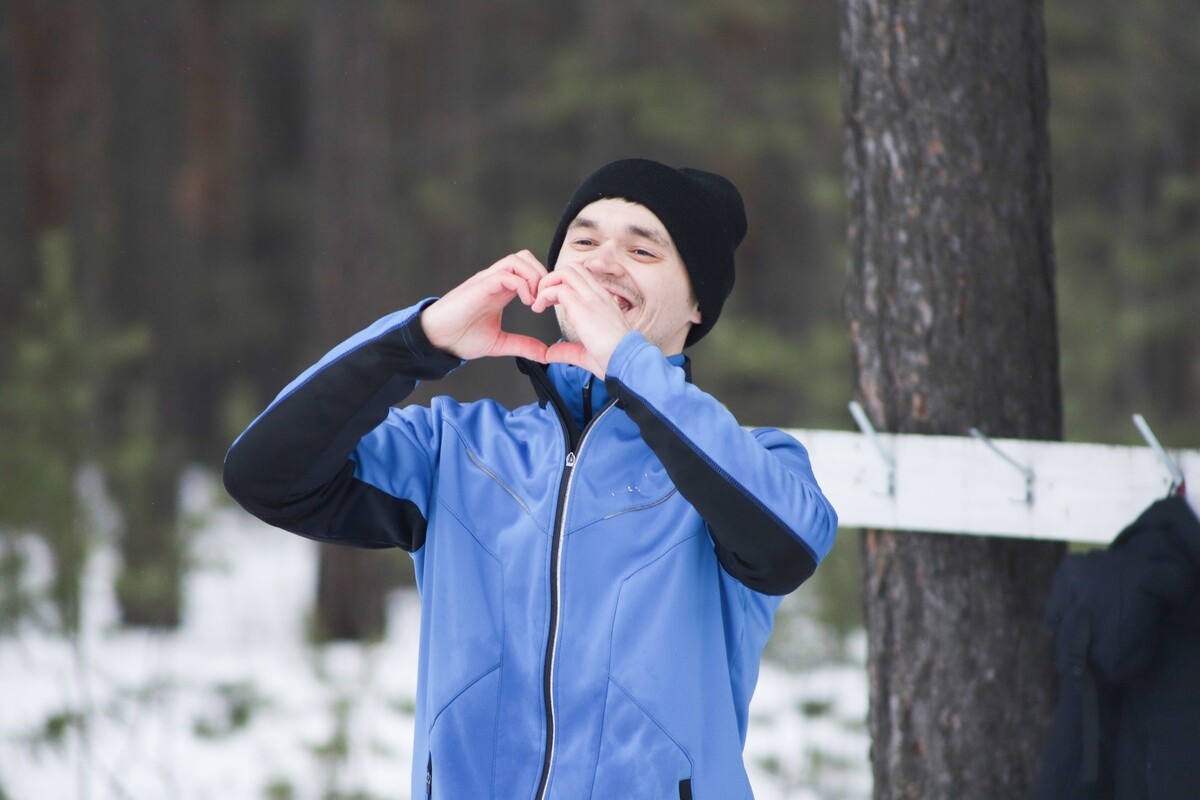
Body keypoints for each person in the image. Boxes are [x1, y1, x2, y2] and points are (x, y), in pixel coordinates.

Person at [223, 158, 838, 800]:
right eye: (585, 240)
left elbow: (787, 547)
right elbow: (266, 474)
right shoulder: (455, 450)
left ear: (698, 302)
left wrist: (626, 362)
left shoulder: (752, 461)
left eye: (642, 248)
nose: (604, 262)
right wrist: (419, 340)